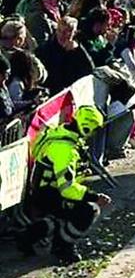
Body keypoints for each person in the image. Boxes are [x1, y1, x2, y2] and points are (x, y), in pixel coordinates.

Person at [16, 105, 112, 263]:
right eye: (95, 130)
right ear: (87, 127)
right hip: (49, 195)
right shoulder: (65, 149)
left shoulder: (60, 133)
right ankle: (63, 247)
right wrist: (94, 197)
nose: (94, 134)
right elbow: (67, 189)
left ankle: (27, 236)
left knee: (59, 217)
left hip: (44, 191)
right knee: (89, 210)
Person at [36, 16, 95, 93]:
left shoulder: (78, 49)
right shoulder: (45, 49)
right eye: (59, 30)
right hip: (53, 91)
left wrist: (78, 50)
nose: (62, 35)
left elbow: (89, 70)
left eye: (67, 31)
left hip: (73, 90)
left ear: (74, 33)